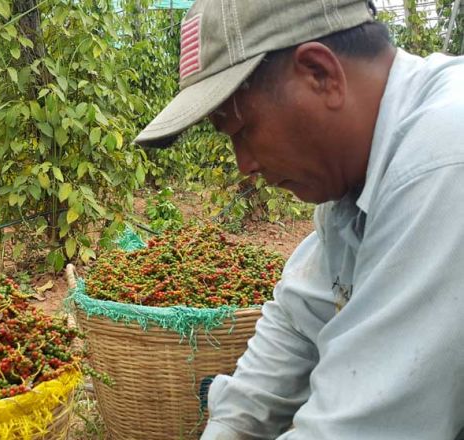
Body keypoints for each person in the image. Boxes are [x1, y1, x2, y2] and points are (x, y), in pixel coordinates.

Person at [134, 0, 464, 439]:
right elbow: (300, 319)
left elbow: (364, 426)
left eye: (242, 131)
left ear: (320, 74)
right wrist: (230, 426)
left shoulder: (441, 160)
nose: (244, 165)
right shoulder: (354, 182)